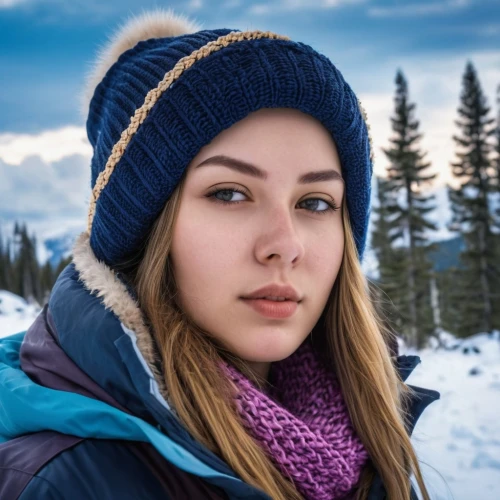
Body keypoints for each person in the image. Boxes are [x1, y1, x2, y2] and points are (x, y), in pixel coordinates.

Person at [0, 8, 439, 500]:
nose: (285, 245)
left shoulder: (362, 434)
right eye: (230, 193)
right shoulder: (69, 485)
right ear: (146, 231)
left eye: (315, 203)